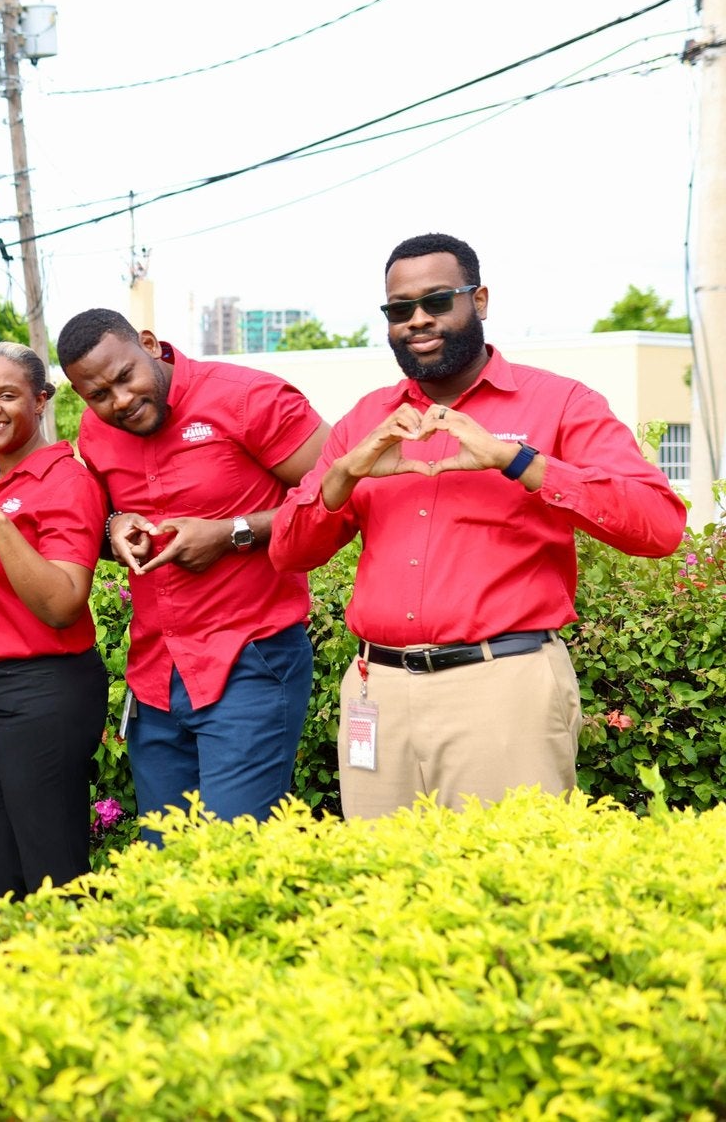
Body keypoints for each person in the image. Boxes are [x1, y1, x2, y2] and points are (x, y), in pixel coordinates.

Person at [271, 233, 685, 818]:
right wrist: (343, 475)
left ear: (480, 300)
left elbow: (659, 525)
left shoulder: (562, 403)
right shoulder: (366, 421)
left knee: (510, 892)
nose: (417, 319)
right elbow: (288, 552)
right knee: (386, 893)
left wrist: (516, 461)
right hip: (378, 691)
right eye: (399, 309)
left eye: (437, 301)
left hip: (501, 687)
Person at [57, 309, 328, 838]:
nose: (119, 401)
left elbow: (339, 495)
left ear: (151, 345)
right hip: (157, 672)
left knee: (232, 857)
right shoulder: (96, 432)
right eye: (98, 394)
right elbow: (105, 520)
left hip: (250, 657)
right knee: (167, 864)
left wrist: (232, 533)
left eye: (124, 377)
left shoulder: (250, 398)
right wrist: (114, 526)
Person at [0, 342, 108, 898]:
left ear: (41, 401)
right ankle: (16, 983)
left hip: (42, 690)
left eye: (8, 395)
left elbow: (62, 604)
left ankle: (67, 981)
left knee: (51, 873)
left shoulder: (65, 481)